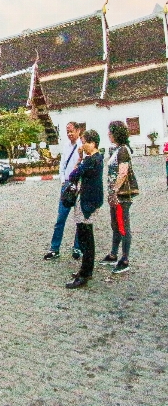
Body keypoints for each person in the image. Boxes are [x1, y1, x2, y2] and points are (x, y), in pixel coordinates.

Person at [64, 129, 104, 289]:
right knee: (87, 238)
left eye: (84, 142)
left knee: (86, 239)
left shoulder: (90, 160)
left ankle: (85, 273)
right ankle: (86, 270)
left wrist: (79, 158)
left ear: (92, 143)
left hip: (87, 202)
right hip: (91, 200)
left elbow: (73, 175)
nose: (82, 145)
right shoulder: (98, 158)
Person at [99, 121, 137, 275]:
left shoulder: (123, 151)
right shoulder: (116, 150)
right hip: (114, 195)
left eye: (110, 132)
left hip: (121, 196)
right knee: (115, 224)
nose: (108, 134)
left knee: (123, 226)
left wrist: (114, 191)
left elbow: (123, 173)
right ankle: (114, 254)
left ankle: (125, 259)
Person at [45, 122, 84, 260]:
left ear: (78, 131)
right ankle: (54, 248)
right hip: (67, 185)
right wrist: (63, 181)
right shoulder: (66, 147)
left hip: (79, 186)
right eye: (67, 131)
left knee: (79, 219)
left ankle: (77, 247)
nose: (69, 134)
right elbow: (62, 166)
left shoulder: (83, 147)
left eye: (71, 131)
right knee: (60, 218)